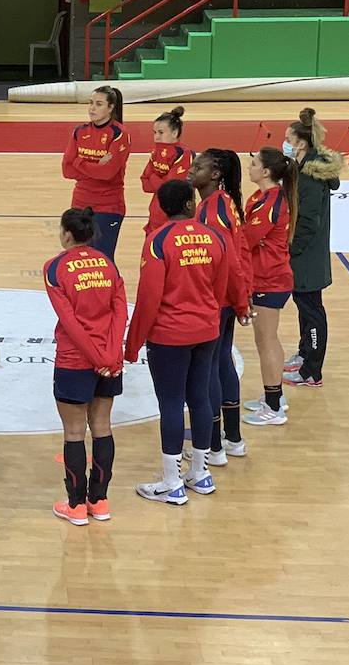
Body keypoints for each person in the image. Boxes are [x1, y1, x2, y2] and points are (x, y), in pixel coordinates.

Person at [124, 180, 231, 505]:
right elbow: (220, 286)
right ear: (189, 205)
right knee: (200, 398)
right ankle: (200, 473)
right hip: (206, 330)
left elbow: (149, 296)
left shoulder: (158, 242)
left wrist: (133, 343)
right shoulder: (215, 237)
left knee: (170, 403)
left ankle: (172, 482)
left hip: (170, 335)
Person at [43, 207, 127, 527]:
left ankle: (76, 506)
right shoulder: (109, 265)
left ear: (66, 234)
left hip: (75, 360)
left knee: (75, 432)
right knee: (103, 427)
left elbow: (71, 323)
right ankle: (100, 501)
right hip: (108, 359)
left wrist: (94, 357)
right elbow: (120, 313)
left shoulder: (54, 268)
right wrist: (110, 356)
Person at [190, 149, 254, 461]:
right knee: (223, 361)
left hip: (218, 298)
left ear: (215, 175)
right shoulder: (223, 201)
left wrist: (239, 300)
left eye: (198, 166)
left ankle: (214, 446)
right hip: (230, 296)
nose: (190, 170)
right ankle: (234, 440)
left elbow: (226, 259)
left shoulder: (212, 208)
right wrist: (242, 296)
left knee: (210, 368)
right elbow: (241, 253)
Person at [284, 108, 341, 388]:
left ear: (301, 143)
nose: (285, 143)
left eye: (288, 139)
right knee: (305, 307)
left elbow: (308, 221)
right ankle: (306, 352)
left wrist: (290, 249)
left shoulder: (309, 176)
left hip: (306, 255)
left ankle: (312, 371)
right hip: (307, 253)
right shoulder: (306, 167)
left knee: (311, 310)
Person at [242, 148, 298, 428]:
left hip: (270, 279)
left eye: (253, 164)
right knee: (265, 340)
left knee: (267, 341)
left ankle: (274, 405)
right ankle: (275, 396)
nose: (249, 167)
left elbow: (247, 237)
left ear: (265, 172)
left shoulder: (271, 202)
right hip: (264, 277)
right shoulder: (261, 196)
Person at [62, 85, 132, 262]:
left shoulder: (119, 134)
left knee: (102, 260)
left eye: (99, 104)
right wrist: (94, 166)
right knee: (78, 259)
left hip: (108, 205)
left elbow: (108, 173)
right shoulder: (80, 131)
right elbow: (67, 170)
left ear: (110, 108)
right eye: (91, 103)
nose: (92, 108)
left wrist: (79, 162)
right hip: (80, 203)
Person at [140, 106, 193, 236]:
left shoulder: (184, 154)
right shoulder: (156, 152)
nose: (156, 137)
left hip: (174, 219)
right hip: (154, 216)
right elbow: (144, 184)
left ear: (174, 133)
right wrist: (158, 181)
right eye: (154, 132)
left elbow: (171, 189)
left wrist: (152, 176)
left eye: (161, 132)